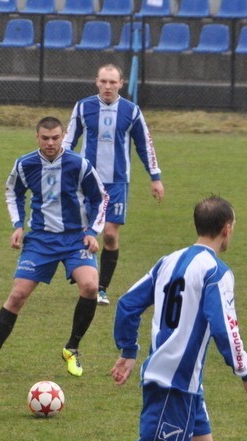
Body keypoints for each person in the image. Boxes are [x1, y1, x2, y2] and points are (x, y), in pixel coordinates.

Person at [101, 195, 247, 441]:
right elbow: (224, 326)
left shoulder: (168, 260)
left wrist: (128, 350)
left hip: (184, 384)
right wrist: (245, 372)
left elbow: (128, 304)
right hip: (173, 382)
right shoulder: (217, 272)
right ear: (226, 229)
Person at [0, 116, 107, 378]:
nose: (50, 143)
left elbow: (100, 198)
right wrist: (18, 224)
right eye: (45, 138)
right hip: (41, 239)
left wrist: (92, 232)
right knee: (18, 295)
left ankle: (72, 348)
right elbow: (13, 192)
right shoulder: (25, 164)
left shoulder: (79, 165)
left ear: (63, 135)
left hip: (74, 238)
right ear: (37, 138)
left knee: (90, 286)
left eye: (55, 137)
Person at [62, 63, 163, 305]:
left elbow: (144, 145)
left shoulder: (132, 111)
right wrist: (59, 168)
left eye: (112, 82)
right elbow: (68, 142)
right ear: (96, 82)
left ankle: (102, 288)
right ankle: (89, 279)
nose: (108, 86)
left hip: (118, 182)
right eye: (103, 81)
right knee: (86, 231)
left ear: (121, 84)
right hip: (88, 181)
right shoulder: (83, 107)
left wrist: (155, 177)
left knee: (109, 234)